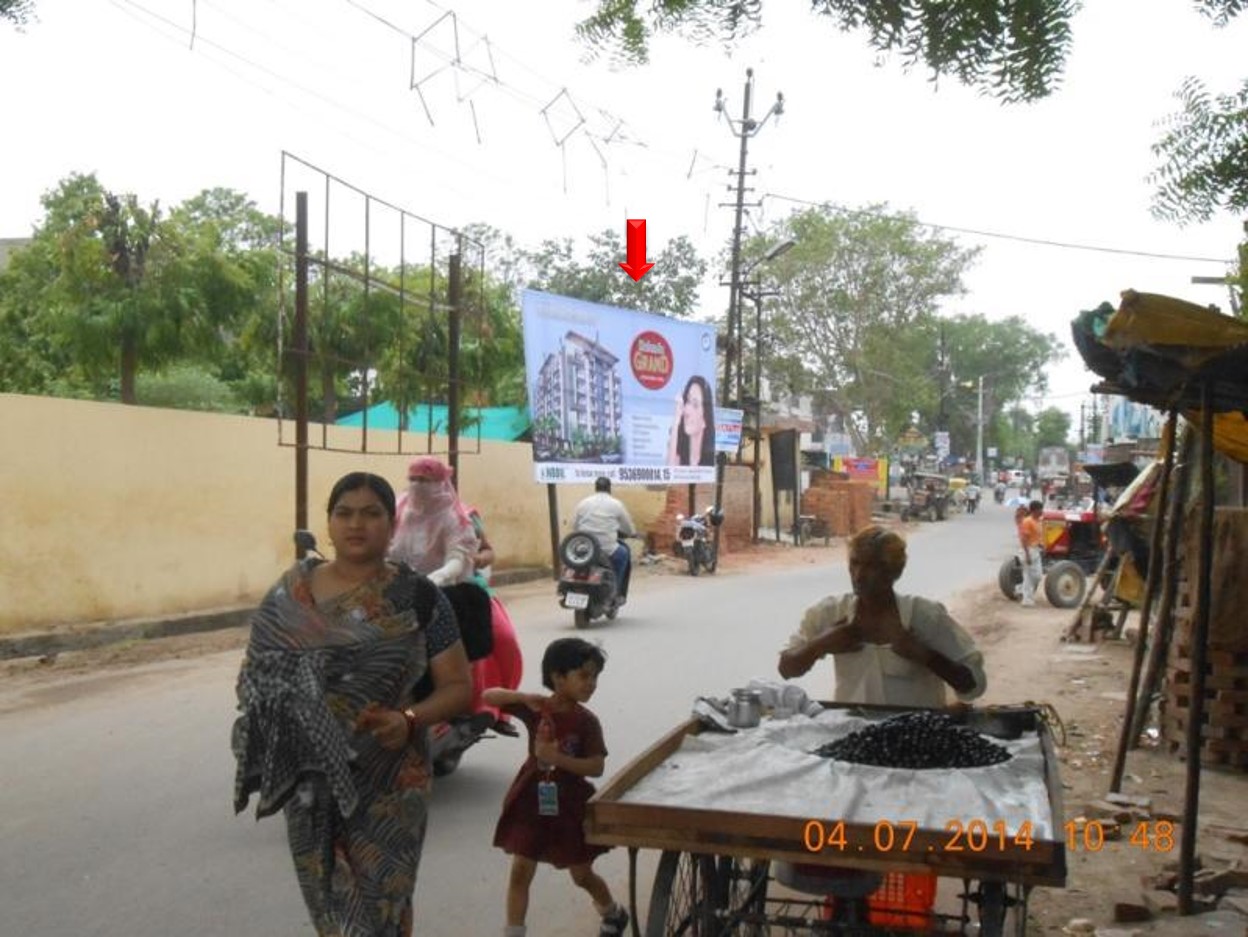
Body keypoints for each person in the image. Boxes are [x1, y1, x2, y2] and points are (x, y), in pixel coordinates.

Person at [233, 472, 473, 937]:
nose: (356, 524)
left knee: (385, 901)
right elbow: (254, 679)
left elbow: (458, 686)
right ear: (329, 522)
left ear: (391, 523)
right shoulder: (287, 595)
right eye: (344, 512)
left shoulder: (419, 597)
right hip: (309, 783)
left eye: (371, 513)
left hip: (390, 779)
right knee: (333, 908)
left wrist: (409, 719)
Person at [484, 638, 628, 937]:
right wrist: (523, 697)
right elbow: (489, 696)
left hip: (570, 804)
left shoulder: (587, 722)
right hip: (530, 799)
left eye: (595, 677)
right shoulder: (537, 708)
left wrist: (557, 758)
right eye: (584, 675)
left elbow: (596, 766)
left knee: (581, 874)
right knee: (521, 870)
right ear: (557, 677)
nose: (592, 684)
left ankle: (612, 911)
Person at [777, 525, 986, 707]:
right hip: (851, 736)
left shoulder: (926, 617)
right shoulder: (830, 612)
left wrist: (926, 656)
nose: (858, 575)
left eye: (871, 567)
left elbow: (974, 686)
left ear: (893, 572)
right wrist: (819, 645)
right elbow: (786, 669)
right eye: (855, 563)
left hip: (916, 738)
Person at [466, 503, 525, 737]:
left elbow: (488, 551)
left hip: (473, 593)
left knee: (505, 641)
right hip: (426, 593)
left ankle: (500, 710)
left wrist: (478, 560)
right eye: (417, 481)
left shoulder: (467, 516)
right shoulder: (404, 516)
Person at [389, 456, 479, 586]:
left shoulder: (451, 517)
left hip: (442, 589)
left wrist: (438, 577)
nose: (416, 485)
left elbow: (456, 560)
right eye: (412, 479)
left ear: (439, 483)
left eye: (423, 480)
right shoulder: (400, 509)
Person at [571, 476, 636, 603]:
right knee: (624, 554)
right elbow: (628, 529)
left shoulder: (583, 503)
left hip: (586, 548)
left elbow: (574, 526)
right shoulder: (616, 504)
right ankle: (615, 591)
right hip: (608, 549)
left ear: (595, 488)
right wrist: (631, 533)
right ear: (609, 488)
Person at [666, 374, 716, 466]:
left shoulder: (710, 460)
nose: (687, 411)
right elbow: (669, 472)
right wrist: (677, 420)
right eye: (687, 401)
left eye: (695, 405)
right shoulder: (680, 451)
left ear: (705, 420)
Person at [1018, 499, 1045, 607]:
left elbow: (1037, 537)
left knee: (1037, 576)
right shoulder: (1027, 522)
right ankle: (1026, 600)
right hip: (1028, 550)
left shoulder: (1038, 521)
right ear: (1034, 510)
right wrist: (1027, 554)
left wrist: (1041, 545)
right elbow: (1024, 539)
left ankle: (1021, 590)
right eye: (1040, 509)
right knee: (1029, 576)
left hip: (1036, 550)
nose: (1042, 511)